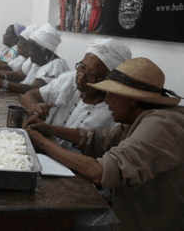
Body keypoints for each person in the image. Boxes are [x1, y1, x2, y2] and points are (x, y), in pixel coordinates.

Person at [24, 57, 184, 230]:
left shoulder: (163, 124)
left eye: (111, 94)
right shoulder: (140, 119)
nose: (106, 101)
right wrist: (49, 130)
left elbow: (100, 172)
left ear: (132, 98)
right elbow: (101, 138)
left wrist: (41, 142)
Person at [21, 38, 132, 151]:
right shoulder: (69, 80)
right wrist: (37, 109)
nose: (81, 77)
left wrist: (49, 131)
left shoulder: (115, 110)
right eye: (82, 68)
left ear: (109, 80)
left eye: (91, 75)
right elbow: (29, 95)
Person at [0, 24, 69, 94]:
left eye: (32, 50)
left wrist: (3, 83)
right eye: (29, 48)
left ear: (46, 52)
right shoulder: (36, 58)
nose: (29, 53)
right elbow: (18, 75)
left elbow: (33, 89)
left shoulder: (56, 66)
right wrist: (1, 75)